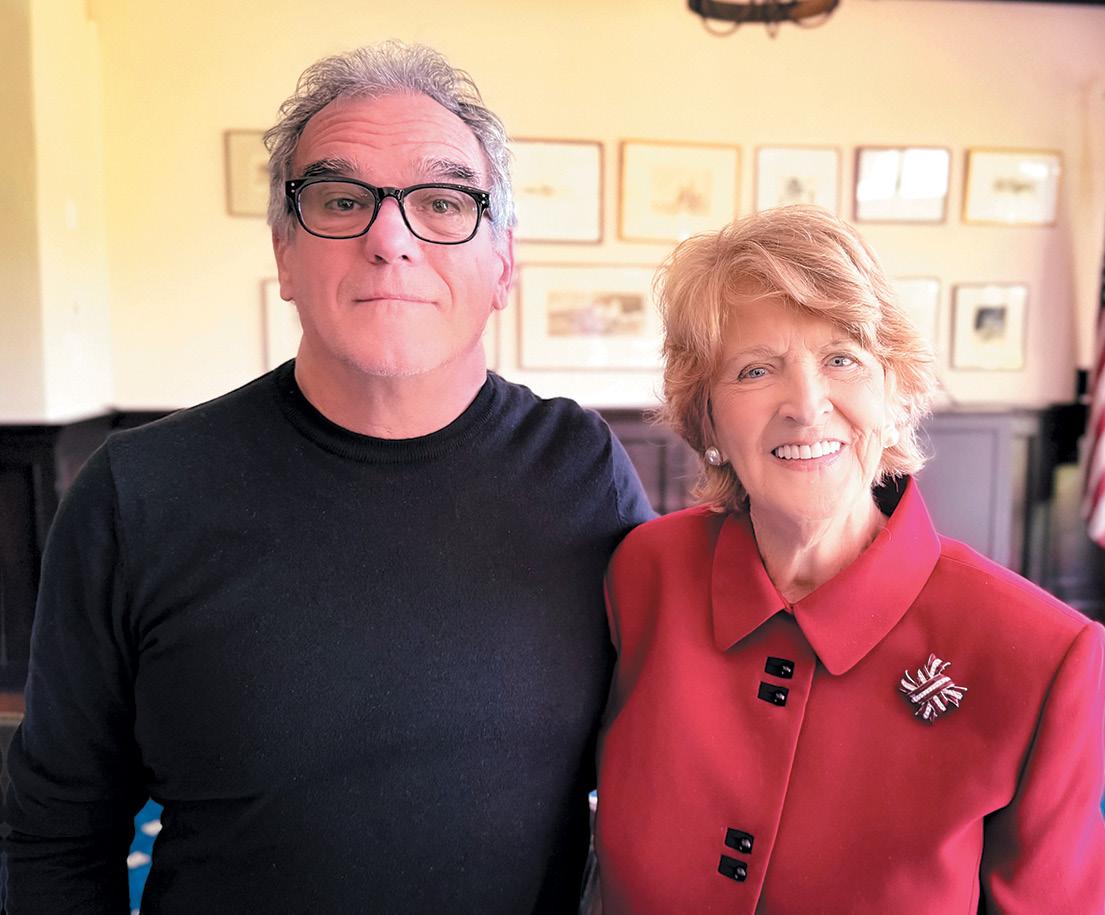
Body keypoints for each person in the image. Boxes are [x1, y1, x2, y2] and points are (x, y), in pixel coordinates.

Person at [5, 42, 653, 913]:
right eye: (342, 201)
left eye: (443, 201)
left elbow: (670, 751)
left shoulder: (580, 468)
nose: (390, 239)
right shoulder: (138, 491)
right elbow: (55, 832)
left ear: (502, 264)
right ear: (284, 253)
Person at [594, 205, 1105, 912]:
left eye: (842, 359)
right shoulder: (644, 573)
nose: (806, 405)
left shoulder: (1044, 656)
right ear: (706, 418)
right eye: (754, 369)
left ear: (893, 394)